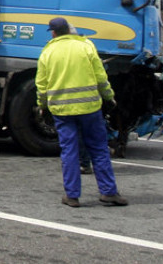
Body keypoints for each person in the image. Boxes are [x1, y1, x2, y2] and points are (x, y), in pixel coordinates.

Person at [36, 17, 127, 207]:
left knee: (70, 151)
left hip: (61, 110)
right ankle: (109, 192)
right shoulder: (86, 46)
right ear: (69, 30)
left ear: (53, 33)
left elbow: (42, 85)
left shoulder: (48, 52)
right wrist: (109, 97)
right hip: (89, 108)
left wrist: (42, 106)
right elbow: (101, 77)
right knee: (99, 149)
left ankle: (72, 196)